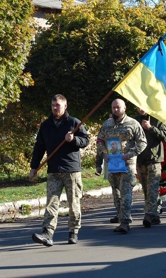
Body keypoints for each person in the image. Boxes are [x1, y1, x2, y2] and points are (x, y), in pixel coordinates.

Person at [30, 94, 90, 247]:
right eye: (53, 105)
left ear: (65, 106)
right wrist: (34, 167)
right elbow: (39, 147)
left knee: (74, 203)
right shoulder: (46, 125)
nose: (55, 108)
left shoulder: (73, 123)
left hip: (71, 170)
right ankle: (47, 233)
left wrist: (73, 140)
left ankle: (73, 231)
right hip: (54, 169)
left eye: (58, 105)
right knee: (51, 202)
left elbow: (85, 140)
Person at [96, 99, 147, 234]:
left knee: (125, 192)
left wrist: (130, 154)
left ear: (124, 108)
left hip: (127, 163)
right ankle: (120, 216)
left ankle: (125, 222)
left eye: (118, 107)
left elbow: (142, 142)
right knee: (116, 192)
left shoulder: (133, 124)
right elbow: (100, 140)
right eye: (113, 107)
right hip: (112, 163)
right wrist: (103, 153)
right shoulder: (107, 124)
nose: (116, 110)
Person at [135, 107, 166, 227]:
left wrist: (150, 128)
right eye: (138, 106)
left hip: (154, 160)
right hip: (141, 160)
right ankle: (155, 215)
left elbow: (164, 136)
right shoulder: (135, 121)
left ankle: (148, 215)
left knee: (152, 189)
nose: (141, 109)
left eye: (142, 106)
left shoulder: (157, 119)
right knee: (146, 190)